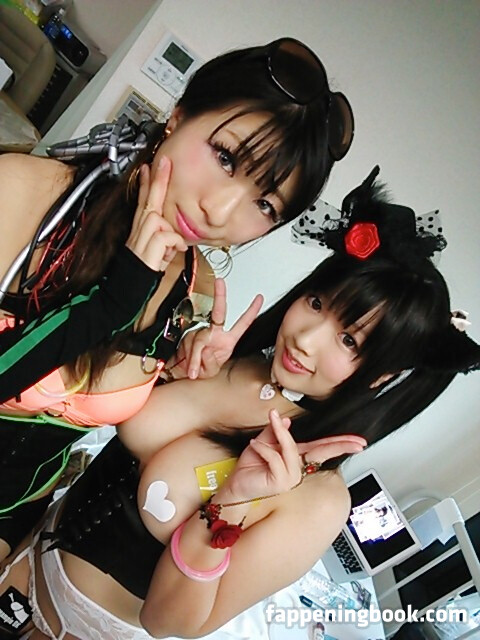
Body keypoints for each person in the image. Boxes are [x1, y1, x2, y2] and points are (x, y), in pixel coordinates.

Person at [1, 167, 478, 640]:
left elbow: (170, 624)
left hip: (78, 629)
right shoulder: (239, 362)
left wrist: (230, 504)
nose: (307, 339)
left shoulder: (318, 495)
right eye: (316, 303)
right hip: (23, 553)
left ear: (381, 375)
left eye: (349, 340)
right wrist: (168, 365)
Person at [0, 37, 354, 561]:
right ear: (179, 115)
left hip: (19, 513)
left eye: (265, 204)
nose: (220, 211)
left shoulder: (195, 290)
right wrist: (110, 304)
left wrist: (181, 373)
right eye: (226, 157)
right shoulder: (26, 195)